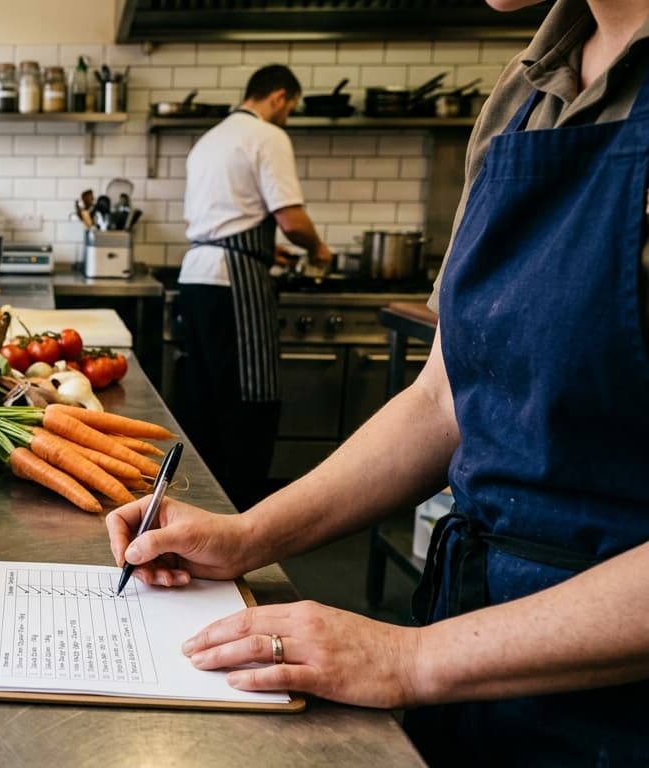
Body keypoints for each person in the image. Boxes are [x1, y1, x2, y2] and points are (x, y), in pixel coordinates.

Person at [111, 0, 649, 763]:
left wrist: (409, 659)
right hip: (472, 649)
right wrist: (246, 536)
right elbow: (444, 395)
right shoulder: (521, 94)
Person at [174, 64, 331, 512]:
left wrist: (265, 251)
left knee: (205, 398)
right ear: (280, 97)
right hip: (233, 282)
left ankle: (198, 504)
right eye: (291, 108)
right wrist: (318, 248)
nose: (288, 117)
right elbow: (290, 219)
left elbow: (207, 223)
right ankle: (241, 509)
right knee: (250, 397)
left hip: (198, 274)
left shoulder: (209, 139)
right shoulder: (267, 136)